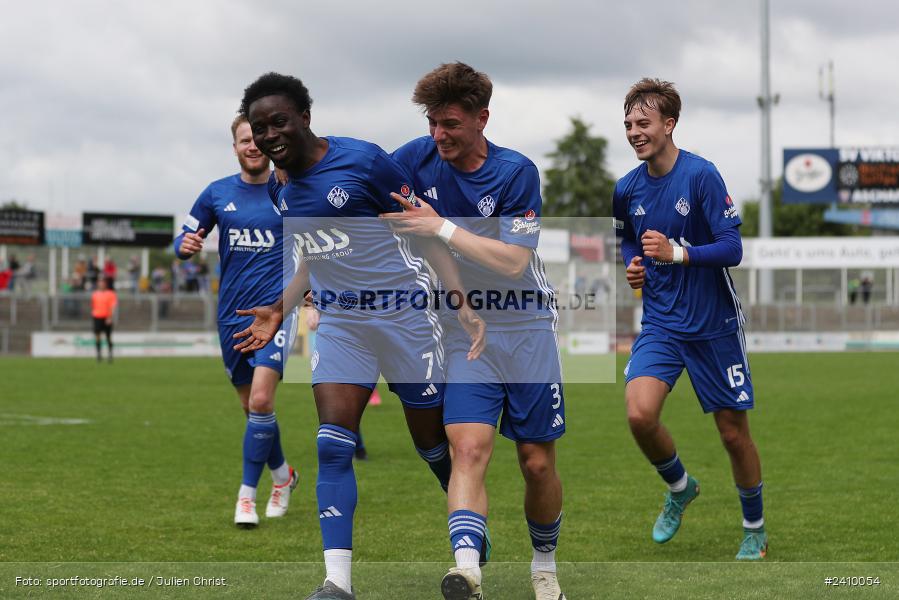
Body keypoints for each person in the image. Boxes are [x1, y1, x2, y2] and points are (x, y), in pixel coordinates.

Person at [232, 72, 485, 600]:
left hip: (406, 318)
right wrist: (278, 308)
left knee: (431, 444)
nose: (269, 135)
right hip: (342, 324)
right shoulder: (281, 187)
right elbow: (315, 255)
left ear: (305, 117)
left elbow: (425, 233)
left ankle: (466, 515)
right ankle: (337, 582)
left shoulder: (365, 162)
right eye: (259, 128)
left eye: (279, 121)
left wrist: (460, 301)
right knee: (332, 444)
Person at [383, 62, 567, 600]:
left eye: (450, 124)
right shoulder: (414, 159)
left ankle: (544, 567)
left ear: (482, 119)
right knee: (466, 449)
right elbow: (357, 189)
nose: (438, 135)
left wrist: (439, 224)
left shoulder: (516, 173)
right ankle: (467, 571)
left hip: (527, 325)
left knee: (537, 463)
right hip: (466, 330)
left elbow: (513, 261)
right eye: (431, 123)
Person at [612, 78, 767, 560]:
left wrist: (677, 253)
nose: (634, 132)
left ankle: (755, 530)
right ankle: (680, 487)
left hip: (713, 325)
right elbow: (627, 239)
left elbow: (732, 248)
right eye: (628, 124)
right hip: (661, 324)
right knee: (639, 414)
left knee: (732, 433)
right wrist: (633, 264)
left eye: (643, 123)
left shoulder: (702, 176)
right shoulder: (626, 188)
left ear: (669, 124)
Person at [173, 114, 299, 528]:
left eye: (258, 137)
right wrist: (185, 245)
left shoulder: (289, 189)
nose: (252, 145)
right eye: (245, 139)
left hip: (276, 313)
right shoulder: (216, 193)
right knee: (252, 408)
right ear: (235, 147)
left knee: (261, 400)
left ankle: (247, 496)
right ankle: (283, 476)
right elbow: (183, 237)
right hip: (231, 317)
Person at [91, 277, 117, 362]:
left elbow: (113, 306)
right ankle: (99, 355)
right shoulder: (95, 294)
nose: (101, 284)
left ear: (105, 284)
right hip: (97, 317)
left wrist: (110, 317)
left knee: (108, 337)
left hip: (107, 317)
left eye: (102, 282)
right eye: (100, 282)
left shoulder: (111, 294)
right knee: (97, 336)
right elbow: (93, 306)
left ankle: (110, 355)